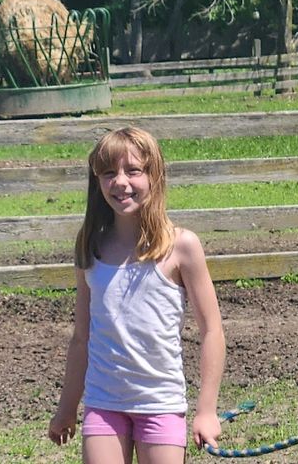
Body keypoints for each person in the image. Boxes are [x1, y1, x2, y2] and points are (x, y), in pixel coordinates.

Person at [48, 127, 226, 463]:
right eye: (108, 173)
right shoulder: (90, 246)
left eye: (133, 171)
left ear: (154, 176)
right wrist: (66, 408)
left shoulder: (182, 247)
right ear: (96, 181)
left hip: (161, 404)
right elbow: (81, 338)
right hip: (104, 404)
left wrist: (206, 411)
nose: (120, 182)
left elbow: (212, 331)